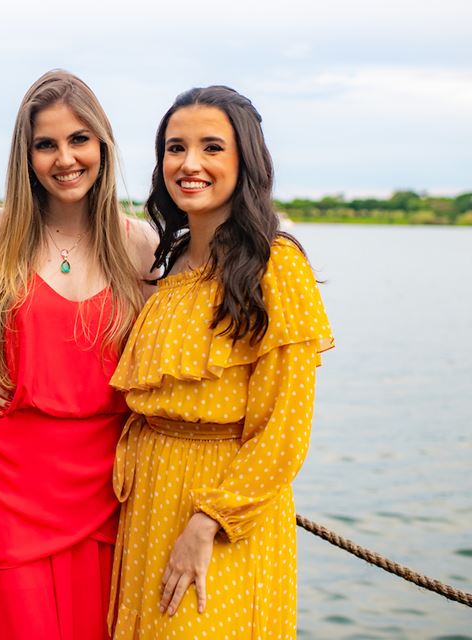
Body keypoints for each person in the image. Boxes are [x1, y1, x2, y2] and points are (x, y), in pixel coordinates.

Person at [0, 69, 158, 639]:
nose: (65, 158)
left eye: (78, 139)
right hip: (11, 476)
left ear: (103, 144)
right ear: (27, 155)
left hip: (106, 478)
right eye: (46, 144)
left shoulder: (139, 244)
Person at [107, 86, 334, 639]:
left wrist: (208, 522)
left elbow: (284, 428)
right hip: (148, 501)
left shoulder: (275, 266)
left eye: (211, 148)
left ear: (245, 160)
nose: (189, 164)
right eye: (175, 148)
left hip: (222, 511)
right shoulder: (170, 264)